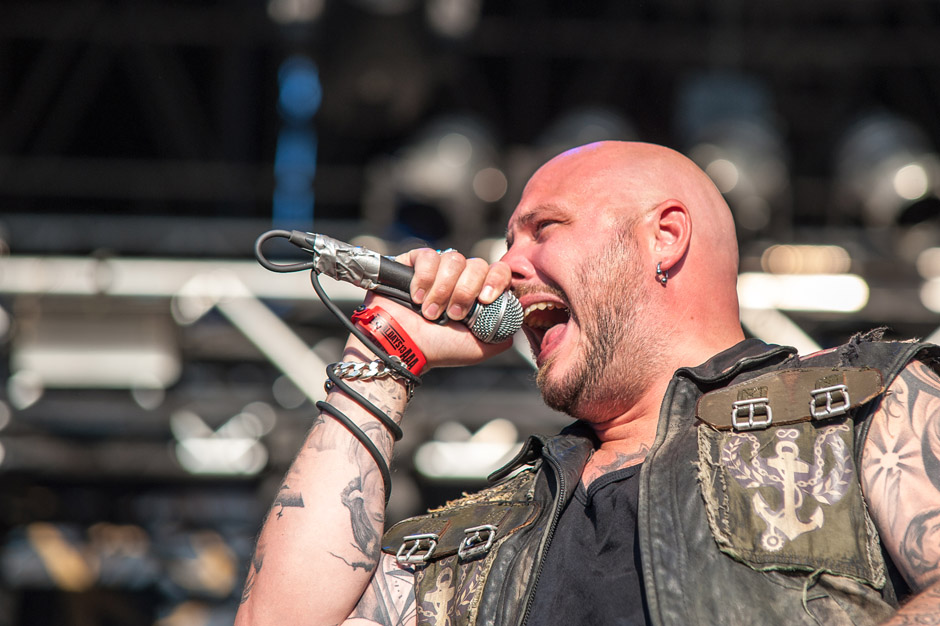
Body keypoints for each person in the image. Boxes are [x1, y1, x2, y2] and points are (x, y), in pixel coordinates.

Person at [234, 141, 940, 625]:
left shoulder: (862, 406)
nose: (506, 267)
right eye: (507, 242)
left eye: (543, 228)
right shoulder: (484, 533)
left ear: (665, 237)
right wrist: (384, 355)